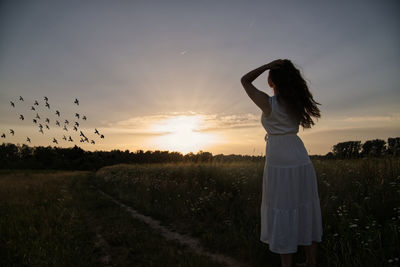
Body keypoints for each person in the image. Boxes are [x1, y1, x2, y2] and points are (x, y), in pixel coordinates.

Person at [240, 59, 323, 267]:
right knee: (306, 207)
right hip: (300, 156)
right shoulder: (297, 102)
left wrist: (267, 65)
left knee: (282, 208)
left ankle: (287, 265)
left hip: (279, 160)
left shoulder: (268, 104)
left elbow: (245, 80)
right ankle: (310, 261)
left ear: (271, 81)